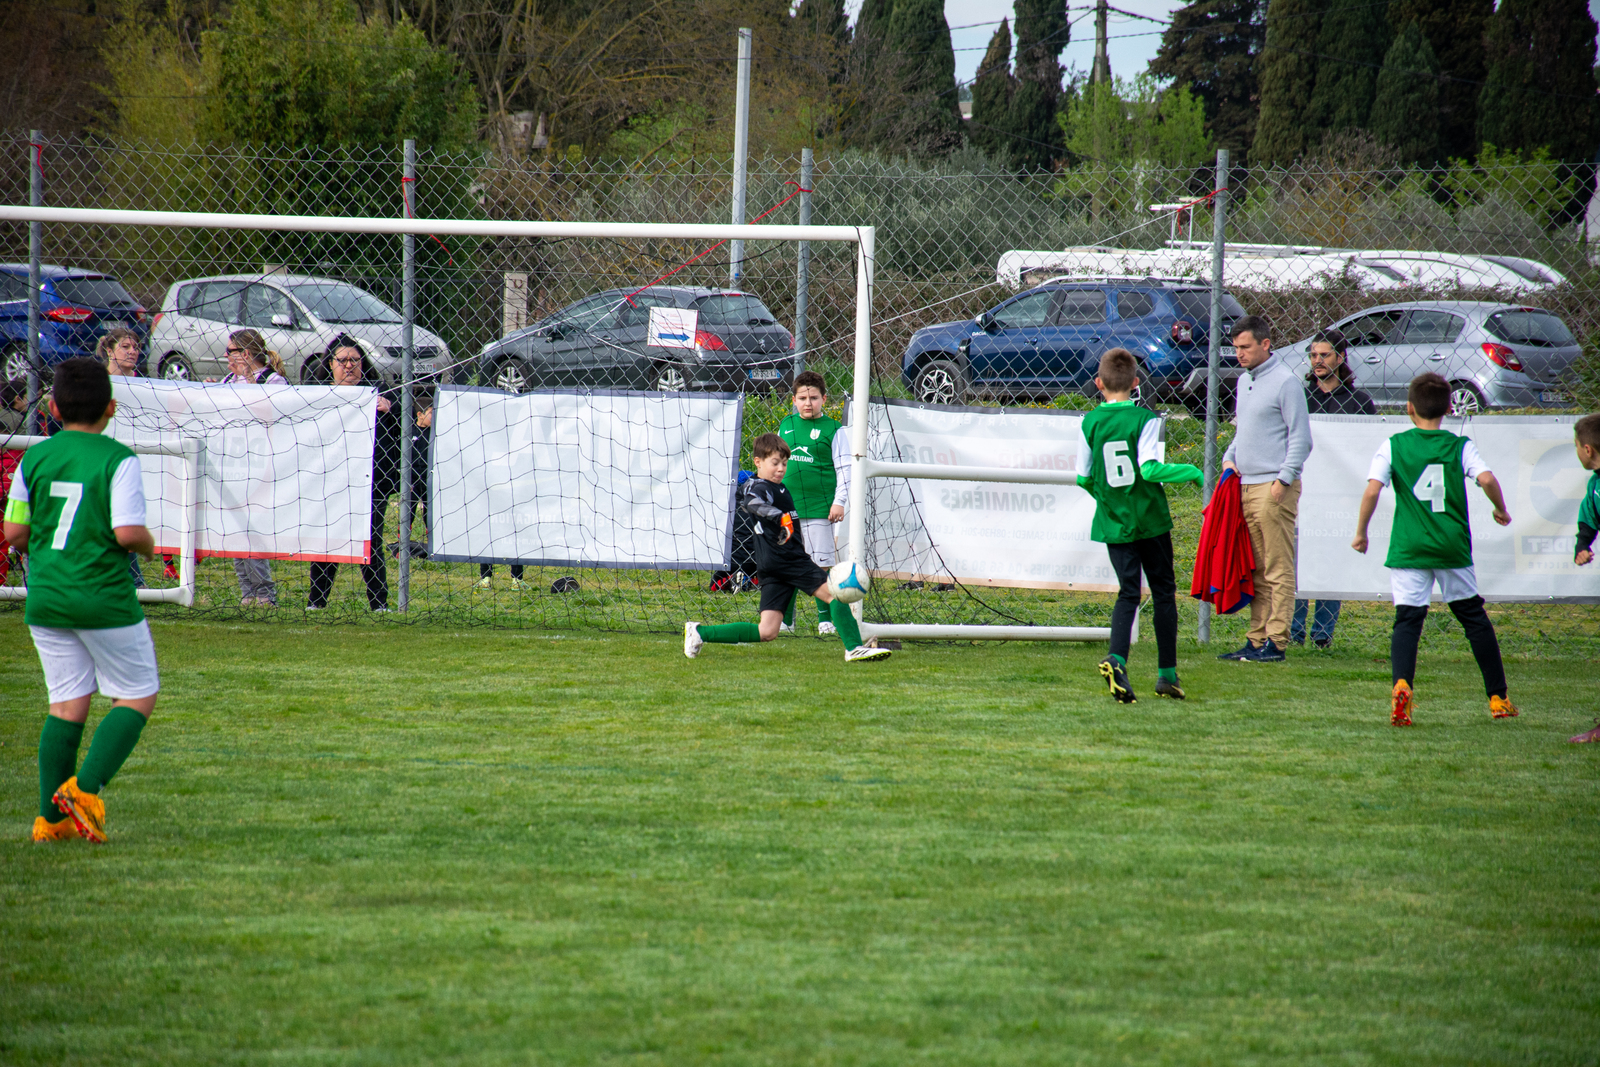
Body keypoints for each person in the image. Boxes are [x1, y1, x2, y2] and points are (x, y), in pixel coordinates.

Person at [3, 358, 160, 843]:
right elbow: (127, 532)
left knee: (66, 706)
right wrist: (150, 546)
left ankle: (49, 823)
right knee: (137, 694)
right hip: (101, 596)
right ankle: (84, 791)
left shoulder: (35, 458)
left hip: (47, 597)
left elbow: (14, 532)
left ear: (52, 408)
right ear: (111, 408)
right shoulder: (117, 459)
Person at [1351, 372, 1517, 727]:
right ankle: (1498, 698)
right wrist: (1500, 508)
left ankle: (1402, 686)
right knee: (1473, 618)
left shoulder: (1394, 445)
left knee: (1408, 620)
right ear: (1447, 410)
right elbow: (1487, 479)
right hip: (1450, 546)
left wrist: (1361, 532)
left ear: (1409, 408)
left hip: (1410, 547)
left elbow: (1372, 490)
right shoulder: (1460, 446)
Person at [684, 433, 890, 663]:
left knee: (767, 631)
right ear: (758, 462)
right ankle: (854, 648)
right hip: (789, 560)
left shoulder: (779, 488)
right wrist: (778, 516)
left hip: (773, 565)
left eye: (784, 463)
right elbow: (751, 502)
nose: (781, 469)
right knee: (836, 594)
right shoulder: (758, 486)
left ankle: (699, 632)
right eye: (775, 463)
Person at [1077, 348, 1202, 702]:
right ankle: (1167, 675)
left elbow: (1083, 478)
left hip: (1114, 521)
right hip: (1149, 519)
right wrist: (1192, 471)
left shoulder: (1089, 422)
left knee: (1128, 592)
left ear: (1098, 383)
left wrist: (1109, 500)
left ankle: (1117, 659)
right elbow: (1148, 469)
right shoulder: (1145, 419)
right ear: (1136, 383)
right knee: (1163, 592)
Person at [1218, 315, 1312, 663]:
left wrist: (1283, 480)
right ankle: (1256, 640)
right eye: (1236, 348)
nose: (1239, 354)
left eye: (1245, 347)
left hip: (1272, 487)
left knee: (1277, 567)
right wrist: (1229, 457)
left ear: (1265, 344)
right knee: (1256, 569)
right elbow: (1243, 432)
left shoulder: (1286, 382)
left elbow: (1301, 439)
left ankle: (1277, 641)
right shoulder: (1245, 381)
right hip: (1245, 485)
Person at [1291, 328, 1376, 649]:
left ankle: (1322, 635)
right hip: (1301, 494)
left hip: (1339, 496)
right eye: (1313, 355)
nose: (1318, 360)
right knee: (1297, 561)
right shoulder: (1300, 398)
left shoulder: (1359, 403)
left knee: (1330, 561)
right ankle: (1294, 633)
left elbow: (1367, 450)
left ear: (1340, 357)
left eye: (1324, 354)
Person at [307, 337, 400, 613]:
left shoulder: (378, 393)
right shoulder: (316, 395)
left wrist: (390, 410)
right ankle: (316, 601)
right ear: (330, 364)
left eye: (355, 360)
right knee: (328, 537)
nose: (349, 365)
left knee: (369, 538)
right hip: (329, 480)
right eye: (342, 360)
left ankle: (379, 603)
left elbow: (403, 430)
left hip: (370, 483)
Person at [215, 329, 288, 607]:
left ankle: (264, 593)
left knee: (252, 528)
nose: (226, 356)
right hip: (232, 463)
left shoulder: (273, 380)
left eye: (231, 351)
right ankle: (247, 592)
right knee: (236, 529)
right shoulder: (227, 381)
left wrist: (248, 380)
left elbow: (270, 414)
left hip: (260, 465)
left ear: (245, 353)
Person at [777, 370, 847, 635]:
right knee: (787, 563)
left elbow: (845, 469)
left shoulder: (834, 429)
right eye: (803, 398)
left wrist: (839, 501)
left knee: (820, 564)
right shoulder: (786, 424)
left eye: (814, 398)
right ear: (794, 400)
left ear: (824, 399)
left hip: (819, 509)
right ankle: (786, 621)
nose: (808, 403)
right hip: (787, 509)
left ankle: (825, 620)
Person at [1568, 414, 1600, 743]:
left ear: (1587, 449)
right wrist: (1582, 546)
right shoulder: (1595, 486)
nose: (1577, 451)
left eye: (1576, 446)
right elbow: (1589, 519)